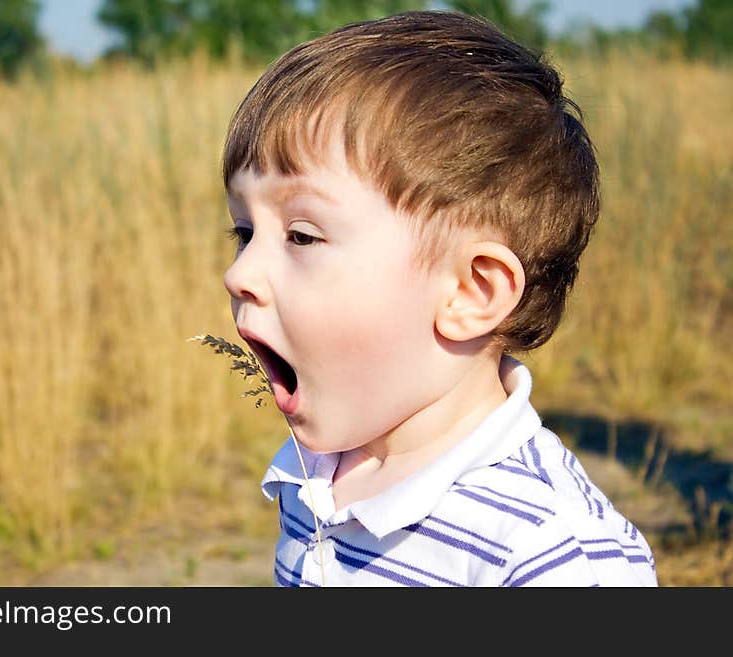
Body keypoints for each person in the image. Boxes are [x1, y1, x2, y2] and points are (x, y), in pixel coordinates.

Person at [220, 10, 658, 586]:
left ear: (471, 292)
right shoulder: (313, 476)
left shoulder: (553, 553)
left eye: (302, 235)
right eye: (245, 233)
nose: (240, 273)